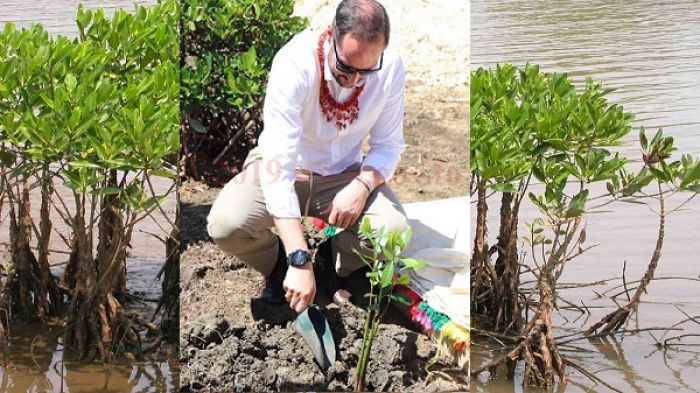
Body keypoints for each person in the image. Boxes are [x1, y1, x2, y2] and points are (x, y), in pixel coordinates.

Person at [206, 0, 408, 313]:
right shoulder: (294, 63)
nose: (356, 80)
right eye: (347, 68)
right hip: (283, 168)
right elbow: (279, 168)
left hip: (344, 175)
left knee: (393, 234)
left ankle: (331, 262)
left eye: (367, 71)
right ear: (332, 36)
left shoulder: (391, 67)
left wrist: (363, 186)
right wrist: (298, 259)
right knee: (226, 225)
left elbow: (389, 144)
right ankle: (277, 269)